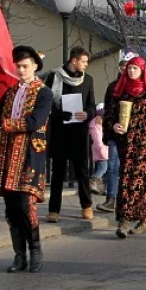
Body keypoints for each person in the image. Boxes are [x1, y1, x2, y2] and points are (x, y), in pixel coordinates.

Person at [0, 46, 54, 273]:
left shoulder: (44, 93)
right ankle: (19, 254)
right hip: (7, 153)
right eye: (19, 66)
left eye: (25, 66)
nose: (21, 70)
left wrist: (3, 124)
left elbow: (34, 122)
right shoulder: (12, 92)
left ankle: (35, 249)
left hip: (29, 154)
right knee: (11, 206)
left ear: (35, 66)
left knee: (26, 204)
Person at [103, 56, 146, 238]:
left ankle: (133, 219)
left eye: (135, 69)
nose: (131, 72)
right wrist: (113, 126)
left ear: (142, 71)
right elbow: (109, 115)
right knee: (124, 179)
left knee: (138, 180)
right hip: (124, 143)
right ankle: (132, 219)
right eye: (129, 68)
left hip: (143, 143)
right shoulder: (119, 91)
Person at [44, 46, 97, 222]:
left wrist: (87, 114)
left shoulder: (87, 80)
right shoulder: (54, 76)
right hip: (60, 130)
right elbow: (46, 102)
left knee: (81, 170)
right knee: (58, 171)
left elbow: (91, 105)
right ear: (74, 61)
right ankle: (54, 210)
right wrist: (60, 114)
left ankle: (86, 206)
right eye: (84, 61)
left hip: (79, 131)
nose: (86, 65)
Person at [97, 52, 137, 213]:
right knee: (113, 166)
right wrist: (111, 125)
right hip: (115, 133)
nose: (125, 70)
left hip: (132, 135)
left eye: (129, 67)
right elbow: (108, 110)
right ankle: (111, 199)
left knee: (129, 167)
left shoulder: (139, 87)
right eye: (123, 67)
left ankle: (129, 200)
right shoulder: (113, 86)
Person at [89, 104, 109, 196]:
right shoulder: (95, 126)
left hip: (103, 151)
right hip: (101, 152)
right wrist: (103, 150)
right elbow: (98, 141)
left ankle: (102, 188)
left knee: (105, 169)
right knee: (102, 168)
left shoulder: (98, 125)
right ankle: (92, 183)